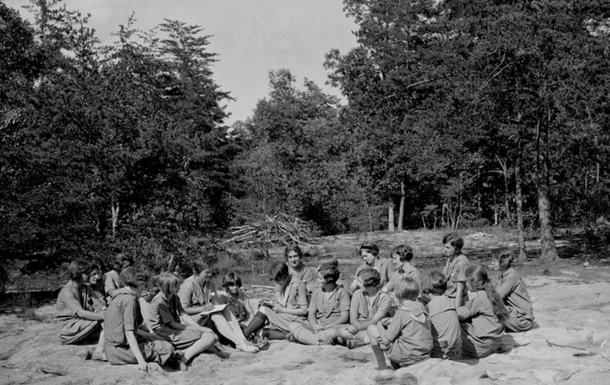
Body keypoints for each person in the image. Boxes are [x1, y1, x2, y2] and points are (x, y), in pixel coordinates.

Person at [178, 261, 258, 353]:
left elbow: (216, 302)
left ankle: (243, 340)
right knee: (215, 314)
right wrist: (202, 309)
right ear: (197, 272)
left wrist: (218, 307)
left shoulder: (209, 283)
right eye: (207, 272)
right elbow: (183, 309)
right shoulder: (188, 285)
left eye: (210, 272)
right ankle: (238, 343)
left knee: (224, 308)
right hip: (191, 319)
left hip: (205, 314)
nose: (210, 274)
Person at [104, 267, 174, 370]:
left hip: (111, 351)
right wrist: (141, 361)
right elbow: (129, 333)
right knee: (167, 347)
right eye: (141, 284)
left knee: (155, 339)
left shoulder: (119, 295)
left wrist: (151, 335)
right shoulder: (129, 300)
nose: (143, 288)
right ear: (134, 283)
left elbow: (131, 328)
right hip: (121, 352)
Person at [146, 272, 218, 370]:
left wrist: (199, 328)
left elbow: (183, 314)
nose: (179, 287)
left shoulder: (174, 297)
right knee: (209, 337)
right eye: (175, 286)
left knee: (210, 336)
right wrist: (198, 329)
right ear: (167, 287)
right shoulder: (160, 301)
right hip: (163, 332)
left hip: (172, 329)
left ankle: (183, 353)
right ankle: (183, 359)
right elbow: (172, 324)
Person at [367, 278, 433, 370]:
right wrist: (392, 320)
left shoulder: (402, 312)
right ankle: (395, 366)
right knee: (400, 336)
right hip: (423, 354)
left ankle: (382, 368)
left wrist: (379, 324)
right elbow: (410, 322)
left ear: (399, 293)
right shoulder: (421, 307)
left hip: (408, 356)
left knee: (371, 328)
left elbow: (386, 340)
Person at [242, 262, 308, 341]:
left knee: (264, 309)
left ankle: (242, 336)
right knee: (259, 331)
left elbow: (304, 310)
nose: (276, 283)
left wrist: (282, 310)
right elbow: (284, 302)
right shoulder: (286, 283)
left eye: (277, 281)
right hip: (287, 316)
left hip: (296, 319)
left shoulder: (297, 284)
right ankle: (289, 336)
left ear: (283, 277)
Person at [56, 260, 106, 360]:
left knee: (104, 315)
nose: (89, 275)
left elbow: (99, 305)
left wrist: (104, 310)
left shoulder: (86, 288)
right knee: (102, 319)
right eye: (87, 273)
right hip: (69, 328)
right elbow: (80, 312)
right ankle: (99, 351)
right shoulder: (68, 290)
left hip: (82, 323)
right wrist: (103, 316)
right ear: (78, 274)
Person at [288, 265, 349, 345]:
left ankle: (307, 339)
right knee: (293, 325)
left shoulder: (342, 292)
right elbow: (311, 313)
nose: (317, 280)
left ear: (328, 280)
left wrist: (330, 326)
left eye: (320, 278)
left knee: (335, 332)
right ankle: (317, 341)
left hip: (334, 326)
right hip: (318, 325)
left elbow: (344, 317)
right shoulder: (316, 292)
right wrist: (315, 326)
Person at [457, 265, 508, 359]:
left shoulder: (479, 300)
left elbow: (460, 315)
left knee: (455, 321)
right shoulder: (492, 295)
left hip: (482, 348)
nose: (466, 284)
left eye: (467, 282)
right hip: (495, 343)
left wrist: (458, 294)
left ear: (473, 283)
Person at [339, 268, 391, 349]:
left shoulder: (385, 298)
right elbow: (353, 316)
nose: (358, 284)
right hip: (359, 327)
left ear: (369, 283)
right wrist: (354, 327)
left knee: (381, 332)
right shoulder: (357, 294)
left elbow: (375, 320)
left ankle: (361, 341)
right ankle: (368, 340)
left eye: (360, 282)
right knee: (342, 331)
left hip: (375, 327)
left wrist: (357, 328)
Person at [492, 248, 534, 332]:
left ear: (502, 262)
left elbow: (497, 297)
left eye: (494, 261)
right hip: (516, 316)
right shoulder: (505, 275)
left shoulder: (511, 276)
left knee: (491, 306)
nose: (492, 263)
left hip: (522, 320)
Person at [423, 271, 462, 360]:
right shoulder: (450, 302)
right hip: (456, 350)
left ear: (427, 288)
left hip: (441, 353)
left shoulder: (428, 308)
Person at [441, 233, 469, 308]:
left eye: (448, 248)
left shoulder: (462, 263)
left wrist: (457, 311)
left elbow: (460, 290)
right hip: (446, 296)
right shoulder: (451, 259)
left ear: (456, 248)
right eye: (444, 247)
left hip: (455, 300)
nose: (444, 250)